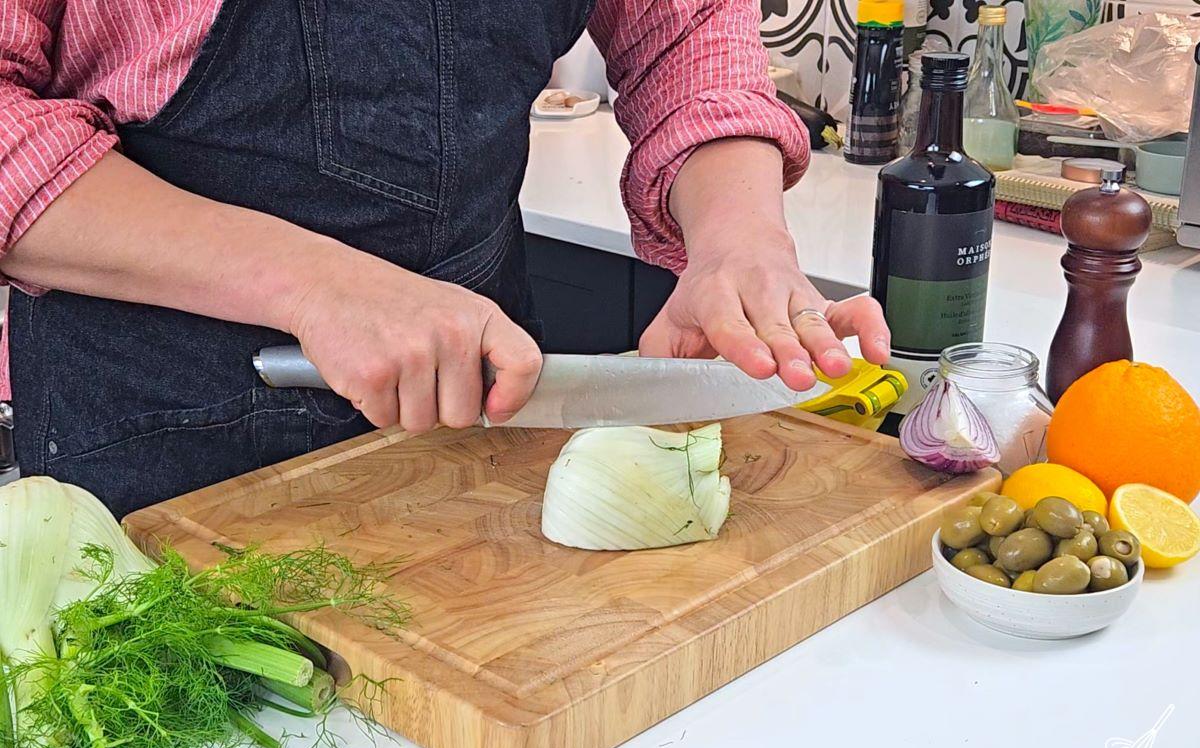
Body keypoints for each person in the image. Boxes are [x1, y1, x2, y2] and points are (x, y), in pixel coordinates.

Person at [0, 0, 889, 516]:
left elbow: (684, 24)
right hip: (157, 442)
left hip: (484, 416)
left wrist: (739, 237)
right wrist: (321, 287)